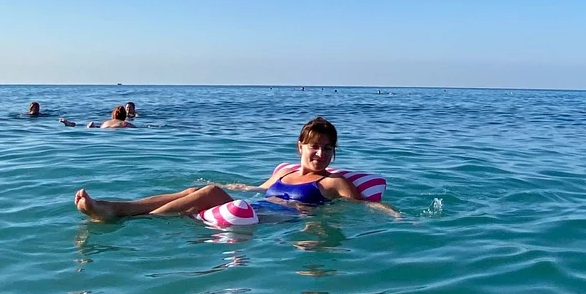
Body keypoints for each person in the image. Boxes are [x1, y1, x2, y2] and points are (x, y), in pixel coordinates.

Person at [74, 116, 398, 221]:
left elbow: (368, 205)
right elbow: (257, 189)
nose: (321, 154)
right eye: (314, 146)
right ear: (300, 147)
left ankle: (132, 218)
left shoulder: (334, 182)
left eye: (328, 149)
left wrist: (397, 215)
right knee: (196, 191)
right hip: (259, 205)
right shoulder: (284, 172)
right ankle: (115, 206)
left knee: (212, 193)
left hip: (277, 220)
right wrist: (234, 187)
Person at [61, 106, 135, 129]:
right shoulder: (125, 123)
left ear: (113, 115)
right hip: (120, 127)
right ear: (124, 116)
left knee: (95, 125)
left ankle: (72, 124)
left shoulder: (106, 122)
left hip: (104, 126)